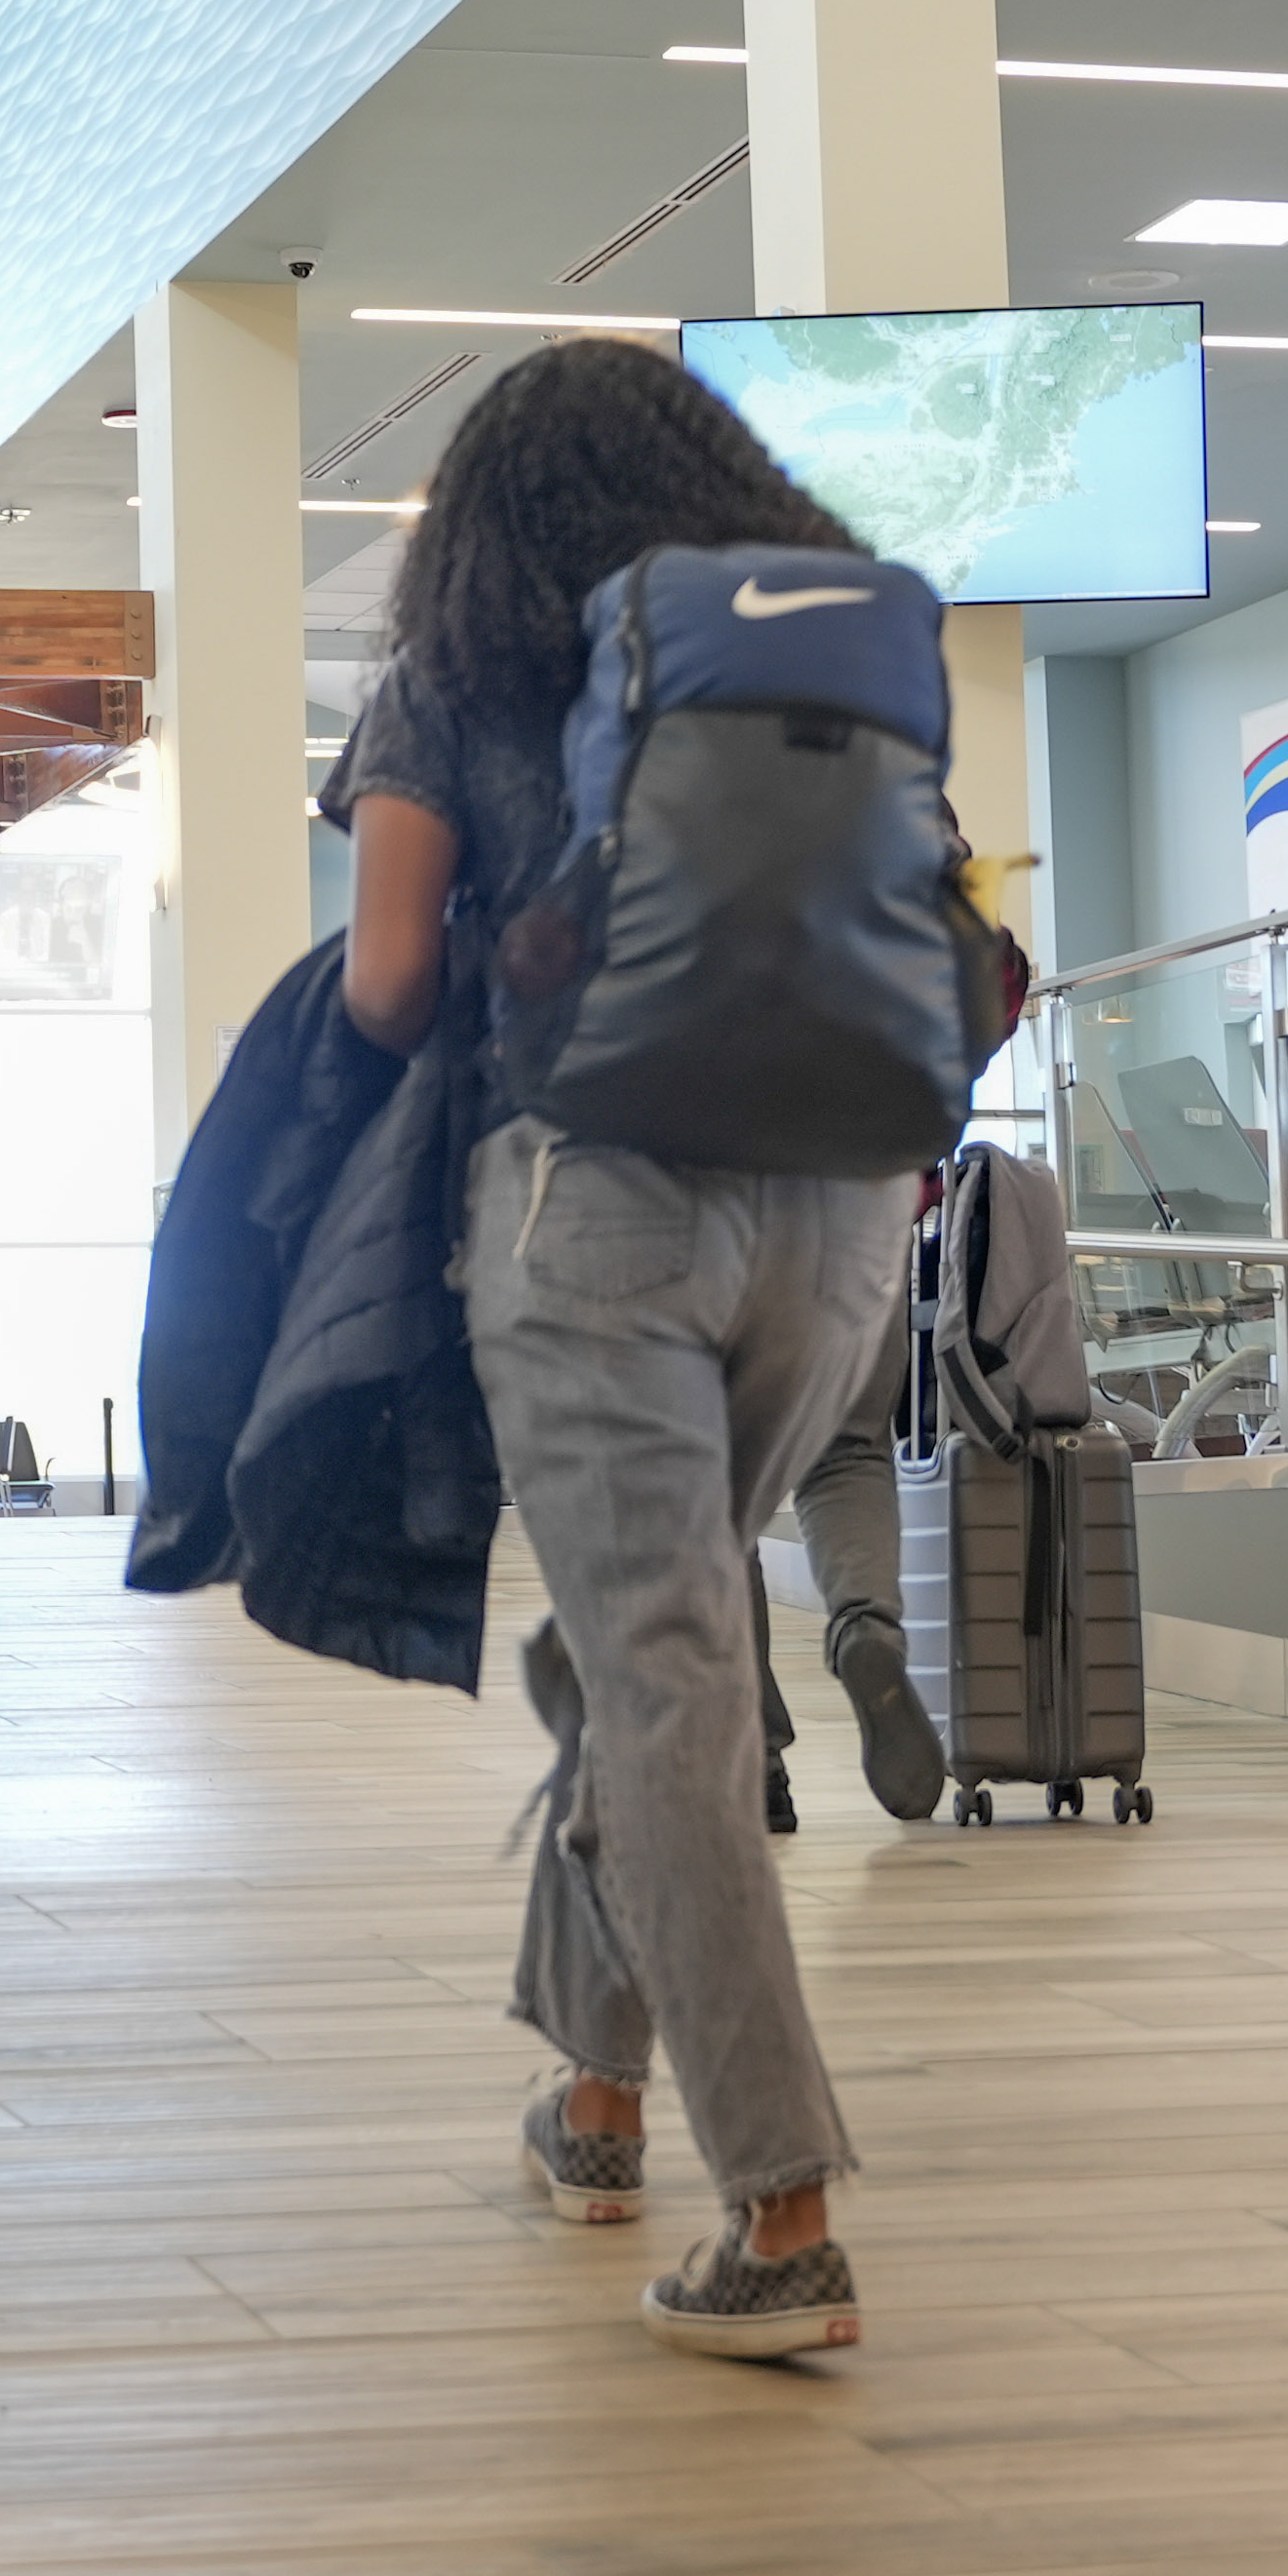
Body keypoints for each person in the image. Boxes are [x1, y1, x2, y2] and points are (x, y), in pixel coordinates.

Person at [324, 337, 937, 2360]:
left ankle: (783, 2214)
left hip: (600, 1206)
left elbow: (394, 982)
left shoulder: (463, 670)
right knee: (631, 1655)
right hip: (849, 1211)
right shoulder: (817, 657)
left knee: (664, 1676)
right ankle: (592, 2103)